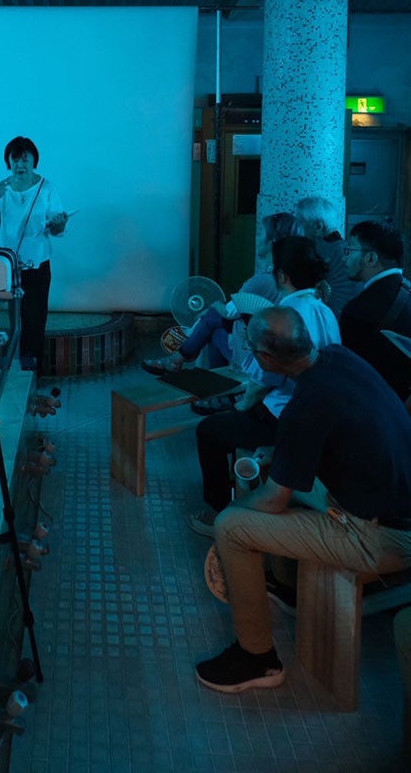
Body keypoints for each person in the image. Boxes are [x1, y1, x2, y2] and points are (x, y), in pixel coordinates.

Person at [195, 305, 411, 695]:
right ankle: (283, 582)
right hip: (396, 504)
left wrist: (234, 509)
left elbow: (273, 502)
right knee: (275, 471)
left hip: (379, 537)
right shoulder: (340, 359)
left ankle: (257, 659)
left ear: (266, 359)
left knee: (231, 527)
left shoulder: (304, 407)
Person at [189, 235, 339, 536]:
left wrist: (242, 406)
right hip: (320, 410)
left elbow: (263, 380)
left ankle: (219, 513)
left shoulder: (285, 316)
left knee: (208, 431)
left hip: (283, 415)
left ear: (281, 276)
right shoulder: (324, 310)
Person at [146, 211, 296, 378]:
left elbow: (229, 312)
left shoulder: (262, 280)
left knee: (213, 316)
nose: (256, 238)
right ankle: (204, 376)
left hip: (255, 357)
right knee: (214, 330)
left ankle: (179, 361)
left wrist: (214, 305)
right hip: (273, 351)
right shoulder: (289, 276)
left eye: (260, 234)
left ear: (272, 242)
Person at [0, 136, 68, 371]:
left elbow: (57, 227)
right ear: (8, 162)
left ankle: (30, 361)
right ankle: (0, 358)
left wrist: (59, 223)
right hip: (3, 263)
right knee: (0, 311)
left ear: (33, 161)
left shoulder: (46, 187)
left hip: (36, 262)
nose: (20, 165)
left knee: (34, 312)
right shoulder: (1, 189)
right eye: (15, 159)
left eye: (25, 160)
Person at [340, 221, 411, 402]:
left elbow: (351, 376)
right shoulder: (407, 290)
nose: (344, 258)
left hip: (381, 406)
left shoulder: (357, 311)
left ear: (371, 258)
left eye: (349, 250)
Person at [294, 195, 360, 316]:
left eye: (300, 223)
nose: (297, 230)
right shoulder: (347, 250)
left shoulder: (317, 254)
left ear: (318, 226)